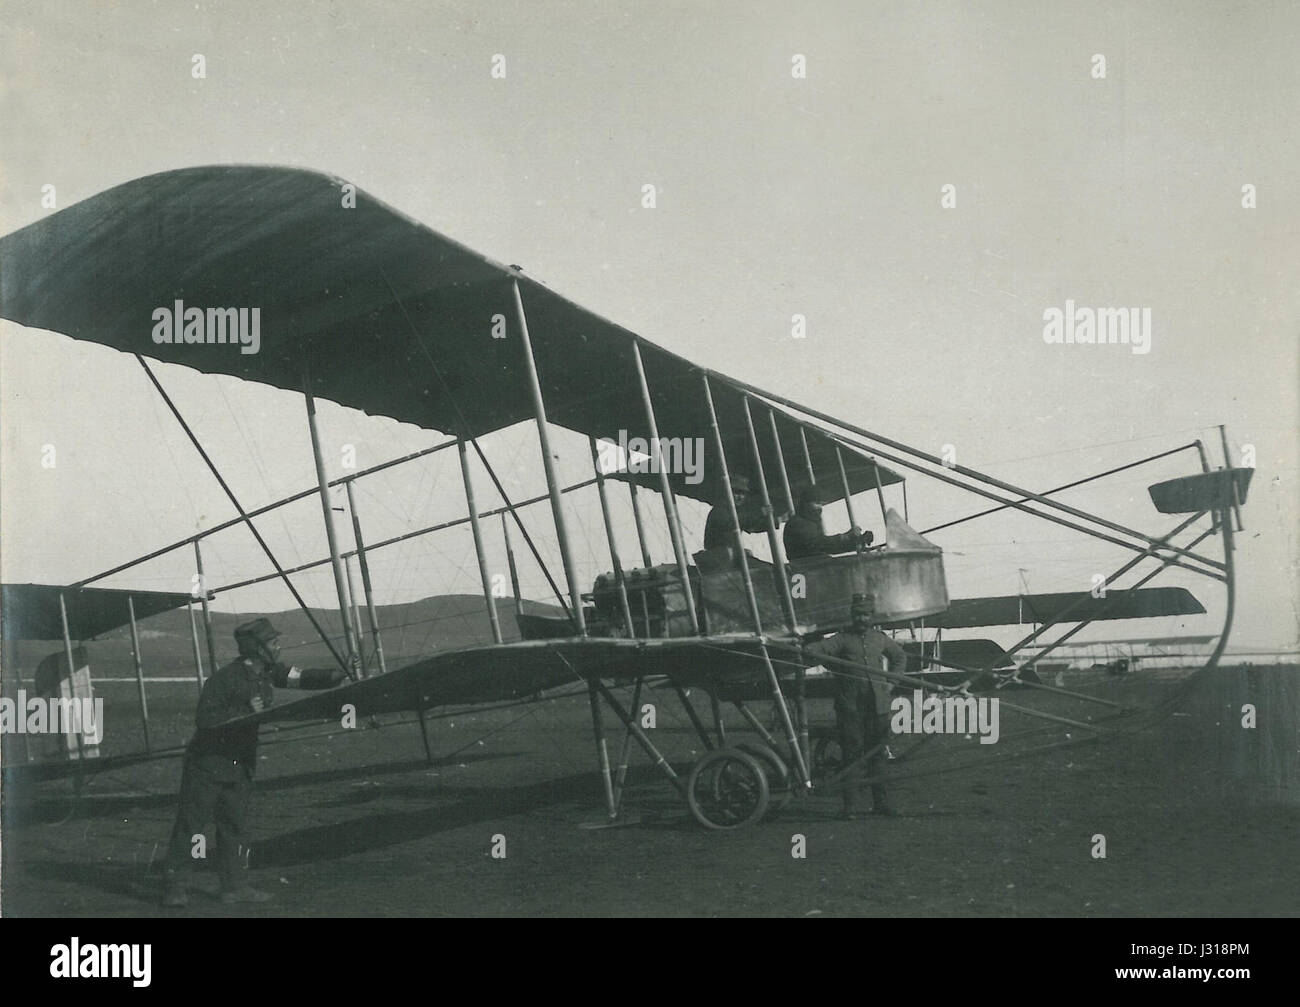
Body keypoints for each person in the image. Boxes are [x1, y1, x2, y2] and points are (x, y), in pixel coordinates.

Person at [162, 618, 282, 907]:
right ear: (257, 648)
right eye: (273, 642)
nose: (279, 647)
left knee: (235, 827)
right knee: (192, 826)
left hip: (239, 765)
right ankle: (174, 888)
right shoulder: (224, 679)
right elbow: (205, 719)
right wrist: (243, 709)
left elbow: (302, 677)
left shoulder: (266, 673)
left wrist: (337, 675)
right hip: (208, 765)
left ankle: (234, 887)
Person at [806, 593, 906, 819]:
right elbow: (815, 650)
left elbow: (900, 657)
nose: (863, 619)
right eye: (859, 615)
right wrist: (831, 663)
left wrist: (892, 682)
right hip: (850, 708)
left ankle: (881, 803)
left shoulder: (879, 638)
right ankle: (849, 807)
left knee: (878, 754)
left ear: (872, 616)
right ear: (852, 616)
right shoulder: (842, 639)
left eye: (866, 614)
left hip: (878, 707)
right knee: (852, 755)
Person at [783, 485, 872, 560]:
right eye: (816, 503)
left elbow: (828, 547)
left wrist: (857, 541)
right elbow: (820, 544)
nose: (820, 508)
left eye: (821, 504)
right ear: (805, 503)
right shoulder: (797, 523)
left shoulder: (808, 523)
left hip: (815, 568)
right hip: (806, 571)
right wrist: (846, 537)